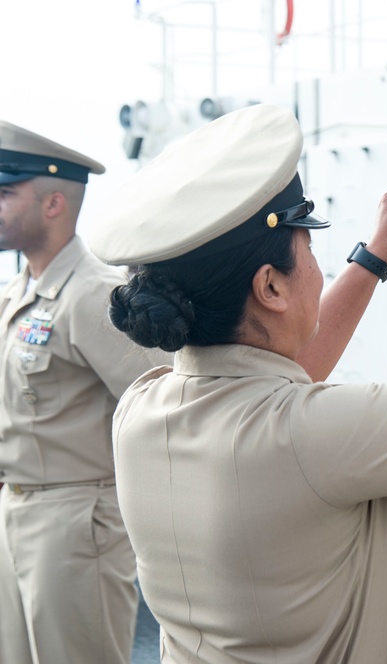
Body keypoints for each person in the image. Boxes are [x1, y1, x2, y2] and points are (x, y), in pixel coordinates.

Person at [86, 102, 387, 664]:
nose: (317, 268)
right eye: (309, 248)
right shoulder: (316, 433)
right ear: (270, 287)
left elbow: (275, 383)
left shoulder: (144, 406)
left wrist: (378, 252)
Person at [0, 120, 169, 664]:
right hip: (16, 510)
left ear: (53, 204)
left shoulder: (92, 296)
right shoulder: (21, 291)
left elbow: (163, 403)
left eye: (5, 193)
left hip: (75, 525)